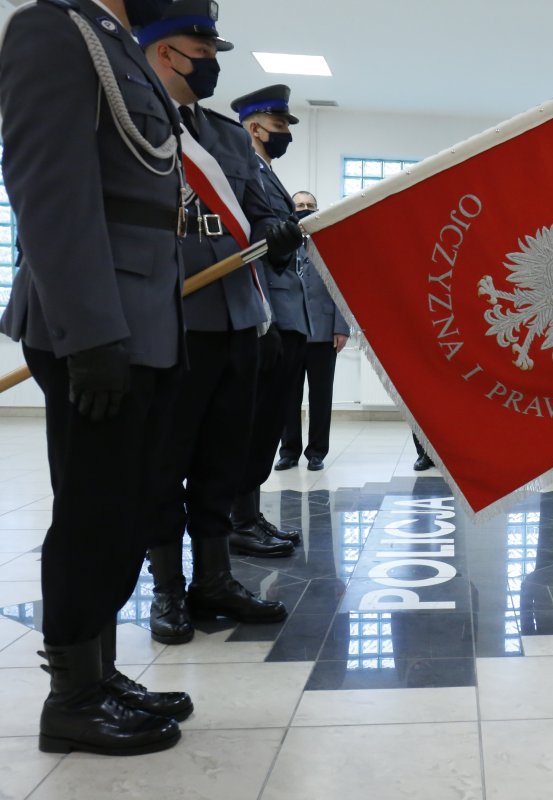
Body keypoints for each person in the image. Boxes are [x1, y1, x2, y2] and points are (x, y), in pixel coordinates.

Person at [0, 0, 192, 754]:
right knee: (94, 510)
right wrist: (92, 333)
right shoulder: (53, 29)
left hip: (139, 314)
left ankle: (101, 672)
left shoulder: (109, 40)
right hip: (100, 319)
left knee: (126, 506)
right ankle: (72, 698)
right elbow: (50, 190)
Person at [139, 0, 303, 645]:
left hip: (238, 318)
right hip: (170, 319)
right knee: (162, 465)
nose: (210, 63)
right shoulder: (133, 123)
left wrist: (275, 234)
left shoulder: (228, 136)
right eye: (201, 51)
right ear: (163, 51)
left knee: (221, 459)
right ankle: (167, 590)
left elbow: (261, 212)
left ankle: (213, 580)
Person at [228, 85, 309, 551]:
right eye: (280, 127)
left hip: (288, 313)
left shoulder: (267, 172)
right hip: (267, 312)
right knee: (257, 421)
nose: (285, 136)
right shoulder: (244, 172)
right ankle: (241, 521)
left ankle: (251, 516)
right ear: (255, 127)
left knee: (272, 417)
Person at [278, 191, 350, 472]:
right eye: (299, 206)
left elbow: (341, 289)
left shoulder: (330, 245)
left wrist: (341, 328)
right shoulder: (281, 243)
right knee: (288, 396)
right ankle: (289, 451)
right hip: (290, 332)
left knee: (321, 396)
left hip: (323, 333)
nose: (305, 210)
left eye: (309, 206)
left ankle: (317, 451)